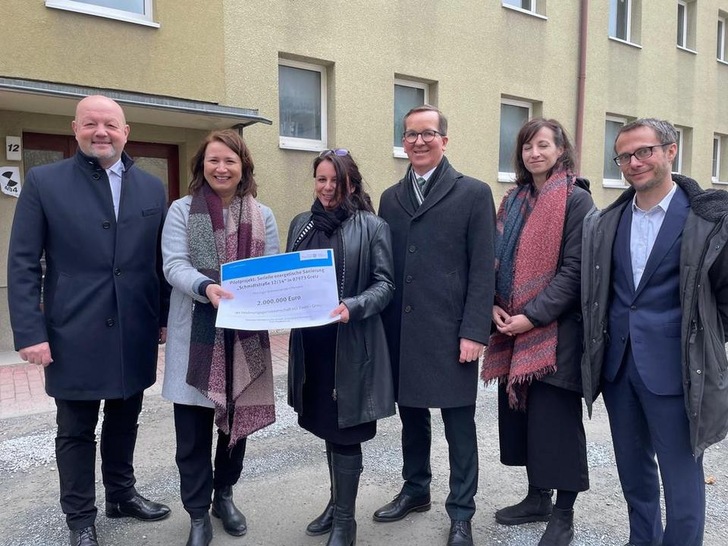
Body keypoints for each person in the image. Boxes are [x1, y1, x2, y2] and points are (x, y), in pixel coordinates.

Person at [7, 95, 171, 546]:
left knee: (126, 418)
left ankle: (121, 494)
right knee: (76, 430)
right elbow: (23, 263)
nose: (102, 132)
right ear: (75, 128)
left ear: (126, 132)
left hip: (134, 330)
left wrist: (160, 318)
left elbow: (156, 262)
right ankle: (80, 519)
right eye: (91, 124)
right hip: (71, 332)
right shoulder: (44, 181)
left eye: (111, 125)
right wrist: (29, 332)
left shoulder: (152, 188)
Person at [581, 118, 728, 546]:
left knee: (682, 484)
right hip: (619, 369)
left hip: (678, 371)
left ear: (670, 150)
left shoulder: (707, 220)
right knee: (634, 476)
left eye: (644, 151)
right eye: (624, 155)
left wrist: (702, 342)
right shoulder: (607, 221)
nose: (633, 162)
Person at [376, 105, 496, 546]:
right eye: (411, 135)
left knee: (459, 425)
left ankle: (462, 511)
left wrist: (474, 331)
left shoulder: (473, 193)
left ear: (445, 140)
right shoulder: (391, 197)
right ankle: (416, 489)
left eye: (428, 134)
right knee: (412, 418)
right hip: (403, 331)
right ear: (403, 142)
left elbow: (483, 268)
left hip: (451, 331)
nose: (419, 141)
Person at [161, 129, 279, 546]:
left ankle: (223, 495)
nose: (221, 167)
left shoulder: (262, 215)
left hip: (243, 337)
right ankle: (197, 512)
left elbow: (271, 274)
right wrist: (205, 288)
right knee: (191, 433)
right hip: (197, 335)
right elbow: (173, 265)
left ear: (243, 165)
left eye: (230, 160)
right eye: (214, 160)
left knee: (234, 430)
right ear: (201, 166)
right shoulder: (180, 210)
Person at [481, 118, 593, 546]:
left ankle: (562, 515)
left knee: (556, 425)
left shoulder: (576, 201)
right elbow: (493, 258)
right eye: (528, 147)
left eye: (543, 145)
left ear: (561, 150)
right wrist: (493, 302)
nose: (535, 154)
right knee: (524, 420)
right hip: (512, 330)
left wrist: (532, 315)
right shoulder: (512, 201)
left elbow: (573, 272)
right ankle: (536, 497)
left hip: (555, 335)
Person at [287, 149, 395, 546]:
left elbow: (385, 285)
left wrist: (354, 306)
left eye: (336, 180)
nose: (328, 188)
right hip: (313, 345)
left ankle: (346, 523)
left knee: (346, 430)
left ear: (351, 182)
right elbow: (290, 277)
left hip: (351, 344)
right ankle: (336, 504)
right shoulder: (301, 224)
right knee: (327, 427)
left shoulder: (373, 226)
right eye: (321, 179)